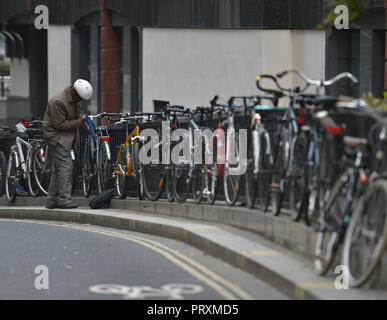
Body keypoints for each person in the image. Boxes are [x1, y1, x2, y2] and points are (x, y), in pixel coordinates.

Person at [43, 79, 93, 209]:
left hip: (66, 137)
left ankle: (52, 201)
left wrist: (84, 128)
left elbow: (74, 118)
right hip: (56, 137)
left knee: (57, 170)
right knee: (66, 167)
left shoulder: (75, 99)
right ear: (74, 93)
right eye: (80, 98)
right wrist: (79, 122)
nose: (81, 101)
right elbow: (59, 124)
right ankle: (64, 199)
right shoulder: (58, 101)